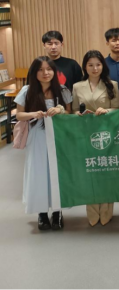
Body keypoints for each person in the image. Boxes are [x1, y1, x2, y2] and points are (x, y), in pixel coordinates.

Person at [15, 56, 72, 231]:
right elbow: (19, 115)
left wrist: (60, 110)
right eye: (40, 69)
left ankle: (57, 212)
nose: (45, 73)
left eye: (48, 69)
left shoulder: (62, 90)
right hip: (37, 137)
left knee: (57, 172)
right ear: (34, 72)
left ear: (54, 71)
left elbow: (69, 113)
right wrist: (33, 114)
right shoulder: (27, 90)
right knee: (39, 173)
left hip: (58, 137)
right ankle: (41, 213)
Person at [72, 50, 119, 227]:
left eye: (98, 64)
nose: (94, 68)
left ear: (103, 66)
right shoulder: (77, 86)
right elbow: (74, 110)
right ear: (85, 67)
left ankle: (106, 213)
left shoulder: (112, 85)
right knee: (90, 173)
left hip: (106, 134)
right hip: (85, 134)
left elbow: (118, 109)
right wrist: (78, 114)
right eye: (90, 65)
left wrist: (106, 110)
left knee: (106, 173)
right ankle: (93, 214)